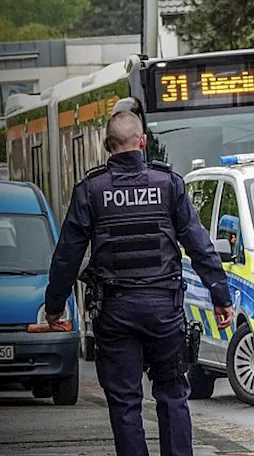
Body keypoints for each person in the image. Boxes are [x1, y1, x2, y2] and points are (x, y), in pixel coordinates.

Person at [43, 104, 233, 456]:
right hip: (164, 310)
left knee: (125, 402)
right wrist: (220, 297)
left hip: (115, 314)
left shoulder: (91, 190)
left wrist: (54, 307)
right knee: (173, 394)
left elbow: (67, 254)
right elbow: (199, 245)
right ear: (143, 142)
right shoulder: (169, 184)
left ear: (105, 144)